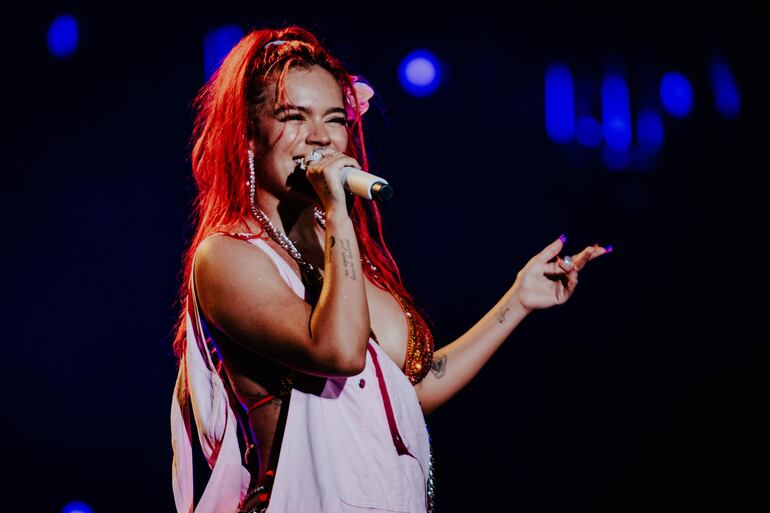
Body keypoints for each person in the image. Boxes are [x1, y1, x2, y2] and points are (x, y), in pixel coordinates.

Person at [170, 26, 611, 513]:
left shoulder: (337, 250)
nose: (320, 137)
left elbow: (408, 394)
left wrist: (518, 301)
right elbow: (339, 351)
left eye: (334, 119)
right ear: (248, 136)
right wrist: (338, 210)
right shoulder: (228, 255)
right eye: (294, 116)